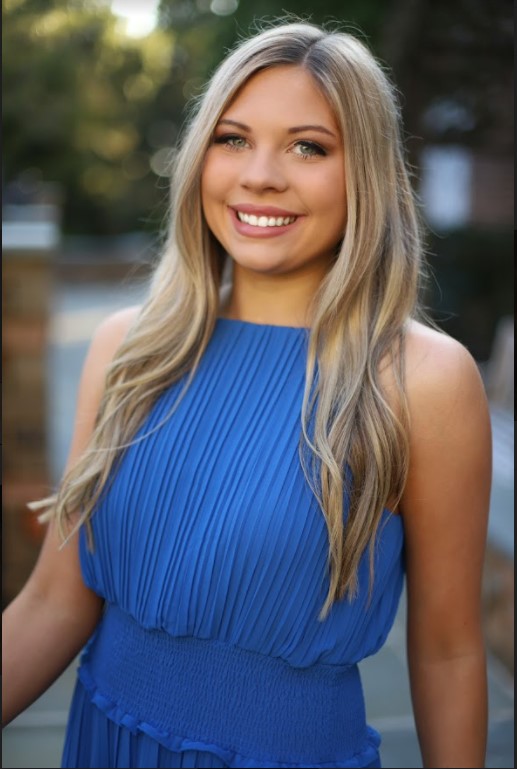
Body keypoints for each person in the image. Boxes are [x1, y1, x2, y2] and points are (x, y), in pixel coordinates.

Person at [2, 20, 492, 769]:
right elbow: (54, 602)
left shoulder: (420, 379)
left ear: (364, 171)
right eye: (232, 138)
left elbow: (449, 651)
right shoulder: (128, 348)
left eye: (308, 146)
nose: (259, 174)